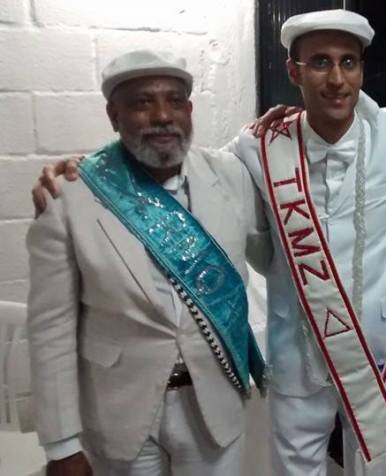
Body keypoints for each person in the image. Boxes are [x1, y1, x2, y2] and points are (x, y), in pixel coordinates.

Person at [31, 10, 386, 475]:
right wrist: (91, 170)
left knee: (380, 468)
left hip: (376, 353)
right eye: (320, 63)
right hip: (294, 351)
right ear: (294, 71)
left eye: (348, 62)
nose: (336, 79)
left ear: (361, 69)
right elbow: (175, 165)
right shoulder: (257, 147)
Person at [26, 50, 270, 475]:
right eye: (142, 103)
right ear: (113, 115)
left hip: (215, 407)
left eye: (175, 101)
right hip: (118, 415)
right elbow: (51, 330)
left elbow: (281, 249)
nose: (162, 116)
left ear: (189, 110)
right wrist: (61, 445)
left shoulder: (231, 175)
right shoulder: (69, 195)